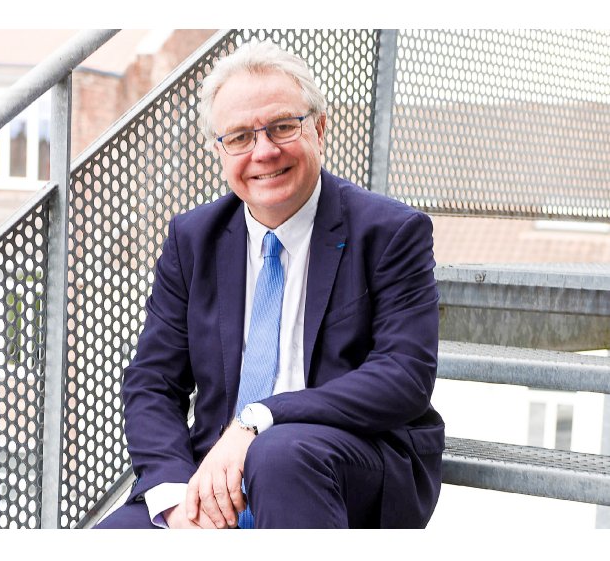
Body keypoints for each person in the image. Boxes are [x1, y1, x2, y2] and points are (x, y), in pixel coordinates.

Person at [95, 40, 444, 529]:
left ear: (319, 129)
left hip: (345, 464)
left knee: (278, 454)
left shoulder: (389, 232)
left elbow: (403, 376)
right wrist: (175, 500)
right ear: (219, 151)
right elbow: (153, 382)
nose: (263, 151)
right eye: (239, 137)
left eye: (282, 127)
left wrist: (260, 418)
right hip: (216, 479)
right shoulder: (193, 239)